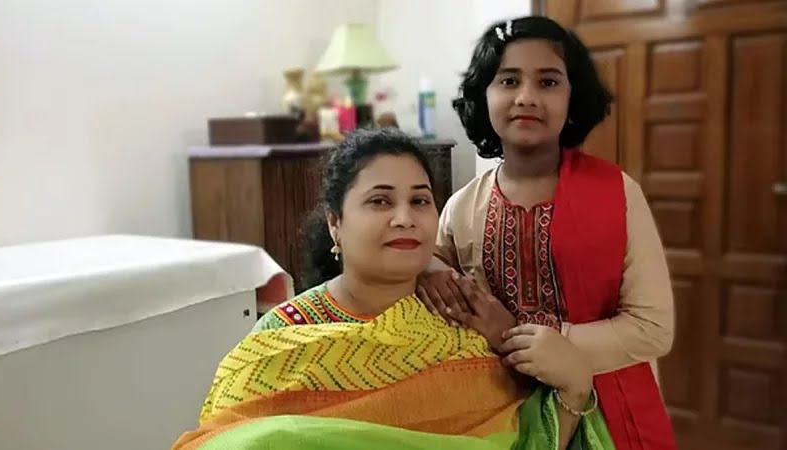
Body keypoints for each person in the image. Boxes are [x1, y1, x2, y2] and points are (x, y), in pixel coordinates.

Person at [172, 128, 614, 450]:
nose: (405, 218)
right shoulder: (282, 336)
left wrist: (575, 388)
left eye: (420, 200)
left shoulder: (467, 326)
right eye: (380, 201)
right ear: (335, 223)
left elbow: (528, 441)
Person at [416, 16, 676, 450]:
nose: (526, 97)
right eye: (508, 81)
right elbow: (428, 279)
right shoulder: (462, 207)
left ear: (573, 99)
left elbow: (653, 329)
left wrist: (544, 339)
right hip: (496, 410)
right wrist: (428, 267)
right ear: (484, 95)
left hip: (608, 405)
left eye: (549, 82)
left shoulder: (617, 194)